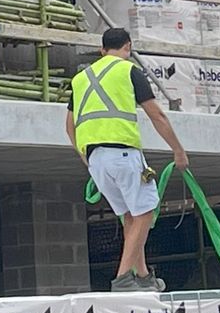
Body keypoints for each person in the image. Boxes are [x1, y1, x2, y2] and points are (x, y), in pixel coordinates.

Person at [67, 27, 188, 292]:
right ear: (128, 47)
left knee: (130, 217)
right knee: (145, 213)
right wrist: (178, 150)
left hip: (96, 159)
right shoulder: (128, 71)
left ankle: (142, 276)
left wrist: (87, 158)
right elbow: (157, 115)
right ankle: (123, 278)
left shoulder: (81, 78)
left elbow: (69, 126)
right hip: (123, 153)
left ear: (102, 50)